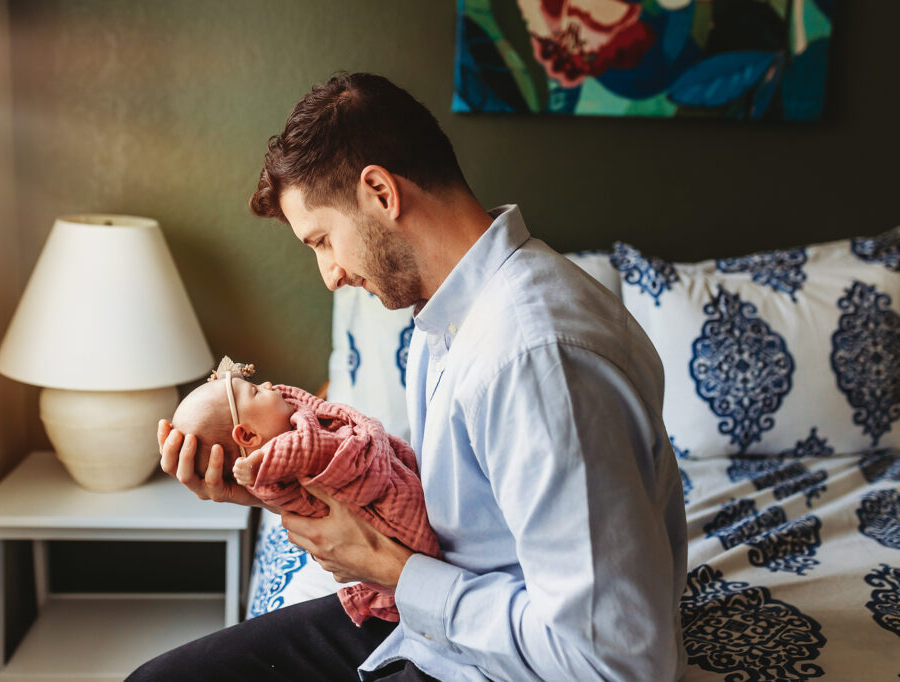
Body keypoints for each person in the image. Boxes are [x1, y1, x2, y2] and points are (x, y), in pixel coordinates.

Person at [129, 72, 687, 681]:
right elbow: (457, 513)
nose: (330, 274)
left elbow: (617, 663)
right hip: (434, 624)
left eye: (322, 240)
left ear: (380, 192)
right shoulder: (447, 316)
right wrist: (276, 486)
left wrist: (385, 567)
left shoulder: (531, 357)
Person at [167, 357, 440, 625]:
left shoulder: (285, 456)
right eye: (256, 391)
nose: (270, 386)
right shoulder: (289, 452)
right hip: (391, 512)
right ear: (248, 436)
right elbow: (305, 448)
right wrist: (257, 468)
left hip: (412, 565)